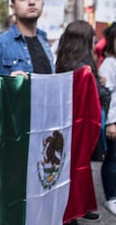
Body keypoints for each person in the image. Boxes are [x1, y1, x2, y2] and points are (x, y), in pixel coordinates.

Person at [56, 20, 106, 224]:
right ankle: (74, 212)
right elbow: (101, 97)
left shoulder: (63, 63)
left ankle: (78, 209)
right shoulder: (83, 68)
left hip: (68, 124)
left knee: (73, 169)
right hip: (80, 124)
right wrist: (104, 87)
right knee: (78, 169)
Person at [0, 0, 55, 76]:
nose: (31, 2)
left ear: (43, 4)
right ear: (13, 7)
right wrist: (10, 83)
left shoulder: (44, 40)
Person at [98, 23, 116, 217]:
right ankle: (111, 197)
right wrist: (111, 122)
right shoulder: (109, 64)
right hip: (115, 120)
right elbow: (107, 97)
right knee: (112, 159)